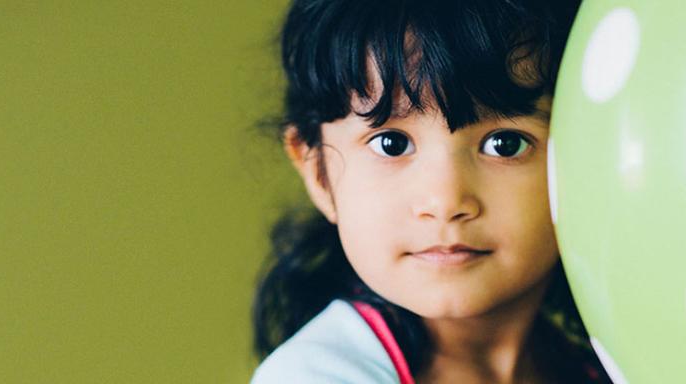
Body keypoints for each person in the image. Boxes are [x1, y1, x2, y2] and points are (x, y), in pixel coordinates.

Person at [251, 0, 609, 382]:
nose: (446, 202)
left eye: (505, 144)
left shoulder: (605, 366)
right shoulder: (319, 375)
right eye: (391, 143)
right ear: (318, 175)